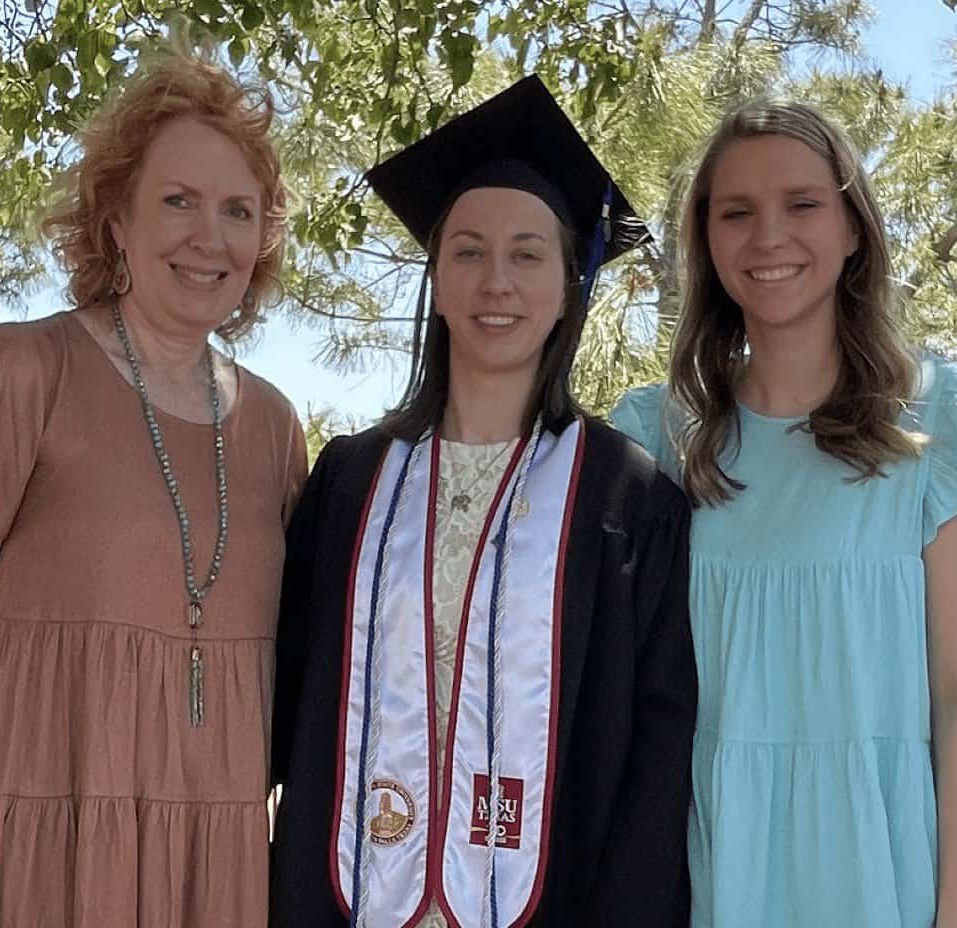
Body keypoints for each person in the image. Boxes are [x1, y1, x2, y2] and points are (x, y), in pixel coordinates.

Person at [268, 75, 696, 928]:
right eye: (466, 251)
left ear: (572, 282)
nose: (494, 280)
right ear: (435, 279)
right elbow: (285, 708)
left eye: (527, 253)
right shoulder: (352, 482)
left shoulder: (629, 497)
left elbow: (655, 759)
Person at [0, 51, 307, 927]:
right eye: (178, 200)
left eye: (239, 211)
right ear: (115, 218)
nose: (211, 236)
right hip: (23, 858)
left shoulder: (275, 430)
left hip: (210, 873)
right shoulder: (18, 373)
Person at [612, 100, 957, 926]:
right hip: (719, 860)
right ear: (707, 242)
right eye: (737, 212)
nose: (769, 236)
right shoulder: (654, 439)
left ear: (853, 229)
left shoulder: (941, 427)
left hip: (896, 861)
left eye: (802, 204)